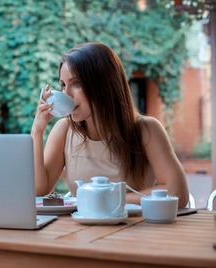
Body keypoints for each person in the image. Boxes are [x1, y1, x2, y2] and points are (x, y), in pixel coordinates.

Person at [31, 42, 189, 207]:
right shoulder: (64, 130)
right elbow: (38, 192)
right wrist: (37, 131)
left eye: (76, 83)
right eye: (63, 85)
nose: (66, 94)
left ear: (103, 85)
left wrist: (103, 199)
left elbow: (177, 193)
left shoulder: (146, 129)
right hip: (82, 229)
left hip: (136, 229)